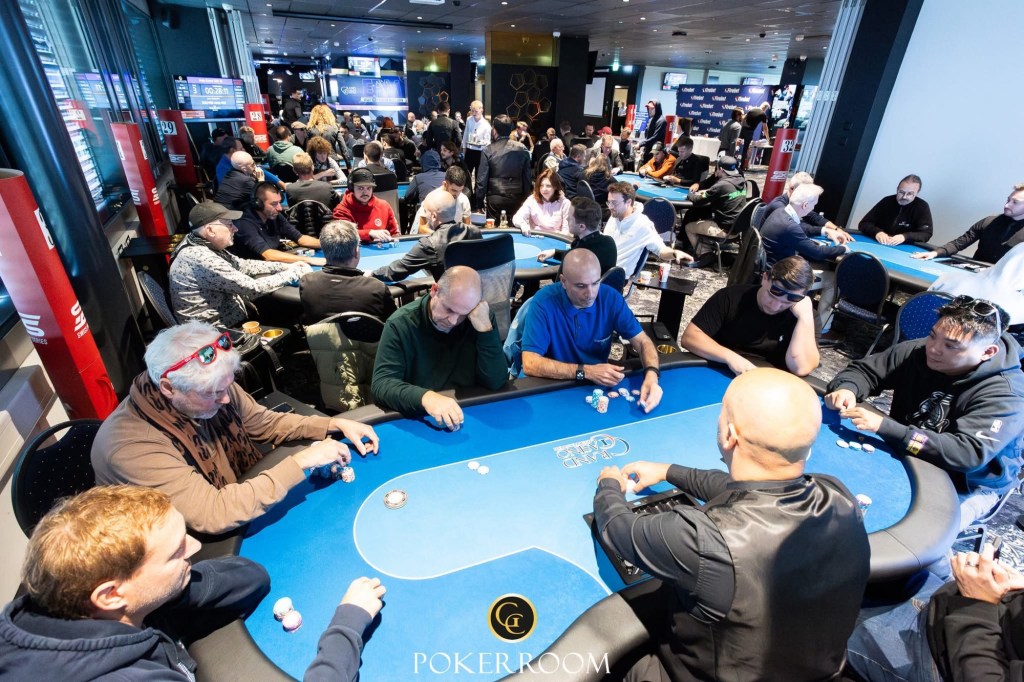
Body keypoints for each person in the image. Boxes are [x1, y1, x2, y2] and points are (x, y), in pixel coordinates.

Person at [593, 368, 870, 681]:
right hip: (822, 673)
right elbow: (751, 489)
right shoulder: (837, 493)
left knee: (617, 666)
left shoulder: (704, 539)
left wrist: (609, 485)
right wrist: (668, 471)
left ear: (728, 435)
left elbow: (617, 528)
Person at [0, 484, 388, 680]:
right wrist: (346, 626)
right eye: (175, 552)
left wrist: (163, 591)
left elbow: (251, 578)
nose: (196, 546)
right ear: (111, 594)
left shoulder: (55, 608)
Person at [91, 322, 379, 533]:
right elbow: (213, 513)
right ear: (168, 388)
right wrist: (302, 461)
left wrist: (331, 423)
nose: (226, 399)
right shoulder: (130, 447)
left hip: (231, 496)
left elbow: (265, 423)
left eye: (227, 386)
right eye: (214, 393)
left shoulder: (211, 386)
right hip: (170, 547)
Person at [825, 296, 1024, 528]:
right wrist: (847, 388)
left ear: (988, 352)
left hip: (968, 483)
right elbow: (865, 372)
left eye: (951, 346)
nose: (934, 349)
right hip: (908, 451)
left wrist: (885, 427)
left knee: (924, 536)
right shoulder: (920, 351)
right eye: (932, 335)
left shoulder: (1006, 394)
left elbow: (966, 455)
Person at [846, 541, 1024, 681]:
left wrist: (978, 606)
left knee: (832, 613)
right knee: (895, 549)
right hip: (958, 607)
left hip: (948, 655)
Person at [520, 249, 665, 412]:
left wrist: (652, 375)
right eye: (580, 286)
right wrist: (585, 371)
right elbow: (530, 363)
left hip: (592, 385)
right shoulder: (543, 302)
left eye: (595, 283)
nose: (590, 294)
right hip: (548, 385)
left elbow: (642, 342)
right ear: (563, 281)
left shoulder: (611, 298)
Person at [370, 266, 507, 426]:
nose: (453, 321)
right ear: (434, 290)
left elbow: (496, 381)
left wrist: (485, 330)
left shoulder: (480, 317)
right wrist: (427, 397)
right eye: (449, 309)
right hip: (422, 415)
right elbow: (382, 384)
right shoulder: (400, 324)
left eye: (463, 314)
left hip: (471, 410)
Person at [169, 203, 309, 327]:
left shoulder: (197, 241)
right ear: (210, 230)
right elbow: (253, 288)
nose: (235, 229)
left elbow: (242, 265)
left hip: (228, 314)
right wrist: (295, 273)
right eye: (229, 224)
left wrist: (284, 266)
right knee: (291, 312)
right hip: (218, 331)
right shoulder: (201, 258)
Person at [680, 255, 819, 376]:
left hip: (769, 383)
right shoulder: (730, 297)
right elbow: (689, 338)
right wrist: (730, 357)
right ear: (765, 278)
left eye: (786, 302)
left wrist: (805, 318)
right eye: (772, 295)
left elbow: (800, 368)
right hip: (721, 368)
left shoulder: (805, 317)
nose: (775, 306)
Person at [760, 182, 849, 332]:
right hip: (782, 278)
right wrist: (843, 249)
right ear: (805, 205)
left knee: (819, 267)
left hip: (773, 267)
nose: (813, 208)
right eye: (814, 205)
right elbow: (817, 253)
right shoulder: (789, 226)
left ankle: (799, 311)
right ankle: (823, 329)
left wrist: (825, 231)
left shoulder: (780, 212)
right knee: (833, 279)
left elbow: (802, 228)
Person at [300, 220, 396, 325]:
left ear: (324, 250)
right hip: (371, 336)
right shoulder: (376, 288)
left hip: (320, 336)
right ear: (356, 251)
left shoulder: (307, 282)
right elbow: (394, 324)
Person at [372, 190, 480, 282]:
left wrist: (371, 274)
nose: (424, 214)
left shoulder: (429, 244)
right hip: (475, 292)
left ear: (433, 216)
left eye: (425, 211)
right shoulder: (474, 231)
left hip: (447, 297)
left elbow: (396, 271)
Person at [913, 183, 1024, 264]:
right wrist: (935, 253)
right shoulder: (989, 221)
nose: (1007, 205)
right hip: (974, 276)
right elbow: (959, 243)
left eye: (1015, 202)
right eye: (1008, 200)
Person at [604, 181, 692, 276]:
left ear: (628, 202)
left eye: (614, 203)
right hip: (601, 269)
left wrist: (674, 253)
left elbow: (661, 250)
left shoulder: (643, 224)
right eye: (609, 202)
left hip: (616, 276)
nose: (610, 207)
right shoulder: (614, 216)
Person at [231, 182, 324, 265]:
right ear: (258, 204)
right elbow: (268, 254)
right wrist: (308, 260)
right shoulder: (244, 223)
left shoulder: (274, 215)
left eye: (279, 202)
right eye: (274, 204)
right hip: (253, 271)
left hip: (272, 265)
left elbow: (300, 238)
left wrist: (328, 244)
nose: (280, 208)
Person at [682, 155, 748, 268]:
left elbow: (697, 201)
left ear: (720, 169)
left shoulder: (722, 185)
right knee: (701, 215)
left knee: (688, 227)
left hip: (723, 230)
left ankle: (705, 254)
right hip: (737, 228)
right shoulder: (741, 181)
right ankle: (707, 249)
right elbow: (722, 193)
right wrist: (709, 192)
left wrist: (690, 194)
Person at [536, 196, 617, 274]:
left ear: (581, 226)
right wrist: (555, 252)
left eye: (570, 218)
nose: (567, 219)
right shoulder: (609, 242)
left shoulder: (574, 258)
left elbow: (560, 283)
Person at [476, 114, 531, 221]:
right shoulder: (522, 149)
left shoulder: (488, 150)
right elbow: (527, 178)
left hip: (495, 199)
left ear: (494, 130)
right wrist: (525, 199)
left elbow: (481, 180)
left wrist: (479, 202)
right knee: (516, 228)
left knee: (493, 229)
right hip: (517, 198)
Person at [858, 174, 934, 245]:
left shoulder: (922, 207)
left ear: (917, 193)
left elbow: (926, 234)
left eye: (910, 194)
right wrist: (878, 232)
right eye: (901, 192)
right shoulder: (886, 201)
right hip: (878, 243)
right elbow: (864, 223)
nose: (904, 197)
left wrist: (905, 236)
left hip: (904, 247)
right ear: (897, 189)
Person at [332, 168, 399, 245]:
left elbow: (395, 234)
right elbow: (342, 235)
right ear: (352, 188)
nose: (365, 192)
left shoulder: (384, 205)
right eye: (360, 188)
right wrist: (369, 233)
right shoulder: (341, 210)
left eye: (368, 188)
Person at [213, 152, 286, 210]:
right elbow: (267, 196)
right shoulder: (246, 181)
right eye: (252, 165)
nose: (255, 167)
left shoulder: (229, 174)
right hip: (231, 215)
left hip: (220, 211)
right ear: (244, 169)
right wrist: (261, 180)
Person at [512, 167, 571, 236]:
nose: (544, 189)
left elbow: (567, 232)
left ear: (555, 187)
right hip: (535, 237)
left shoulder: (565, 203)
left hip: (556, 239)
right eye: (541, 186)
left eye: (548, 186)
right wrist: (523, 225)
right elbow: (517, 218)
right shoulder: (532, 199)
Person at [411, 165, 471, 231]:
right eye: (454, 190)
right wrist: (440, 236)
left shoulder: (463, 199)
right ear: (445, 184)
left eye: (460, 190)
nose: (457, 194)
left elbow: (467, 227)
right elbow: (422, 228)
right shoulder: (431, 199)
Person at [462, 100, 491, 205]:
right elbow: (466, 134)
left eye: (476, 111)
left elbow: (488, 142)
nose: (474, 113)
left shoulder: (486, 125)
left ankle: (478, 202)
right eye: (472, 111)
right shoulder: (469, 120)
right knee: (466, 175)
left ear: (481, 110)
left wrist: (480, 143)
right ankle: (467, 198)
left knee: (479, 177)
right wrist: (464, 149)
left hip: (480, 152)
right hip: (470, 151)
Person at [404, 149, 445, 214]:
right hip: (445, 214)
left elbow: (407, 196)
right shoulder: (447, 176)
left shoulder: (418, 178)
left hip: (426, 215)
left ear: (423, 162)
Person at [739, 101, 772, 170]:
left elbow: (743, 118)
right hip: (749, 131)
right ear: (765, 108)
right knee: (745, 149)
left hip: (742, 129)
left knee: (735, 144)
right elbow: (765, 128)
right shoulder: (763, 114)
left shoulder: (752, 109)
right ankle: (742, 166)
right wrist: (768, 138)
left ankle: (730, 162)